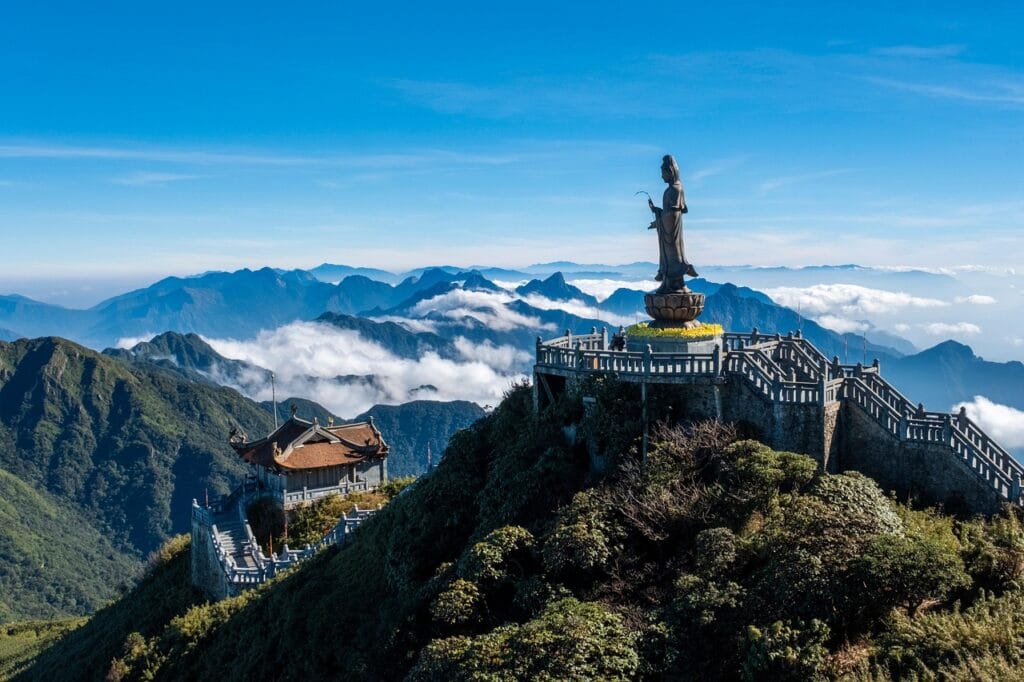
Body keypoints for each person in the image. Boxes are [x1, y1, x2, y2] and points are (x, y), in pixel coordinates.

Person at [647, 154, 698, 292]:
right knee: (668, 257)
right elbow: (669, 213)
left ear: (670, 171)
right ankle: (668, 282)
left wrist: (659, 218)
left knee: (673, 258)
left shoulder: (675, 189)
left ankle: (674, 283)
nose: (661, 177)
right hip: (668, 234)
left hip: (672, 235)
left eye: (663, 173)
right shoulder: (672, 189)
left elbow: (673, 216)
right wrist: (657, 212)